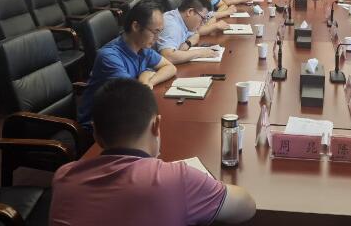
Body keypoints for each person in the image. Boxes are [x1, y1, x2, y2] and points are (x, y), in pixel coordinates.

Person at [51, 80, 256, 226]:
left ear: (95, 132)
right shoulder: (178, 179)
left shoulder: (63, 177)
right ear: (156, 125)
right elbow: (246, 207)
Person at [78, 1, 177, 129]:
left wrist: (150, 81)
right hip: (100, 127)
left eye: (160, 32)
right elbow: (134, 95)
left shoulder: (143, 47)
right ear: (136, 26)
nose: (157, 38)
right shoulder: (109, 57)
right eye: (155, 32)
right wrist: (145, 76)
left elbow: (170, 68)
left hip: (125, 114)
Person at [156, 0, 220, 65]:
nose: (202, 23)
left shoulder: (184, 21)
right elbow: (168, 57)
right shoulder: (171, 25)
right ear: (190, 12)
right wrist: (200, 52)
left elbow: (196, 34)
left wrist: (188, 43)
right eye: (202, 18)